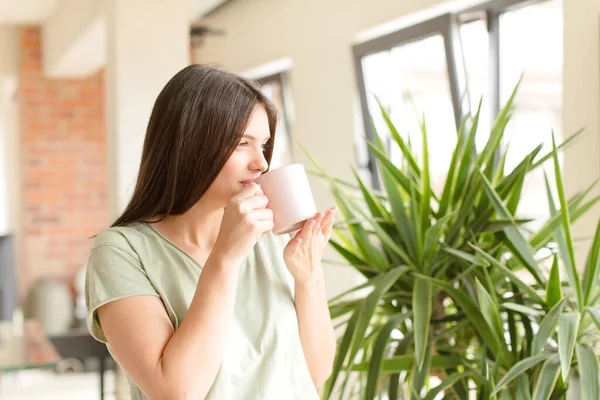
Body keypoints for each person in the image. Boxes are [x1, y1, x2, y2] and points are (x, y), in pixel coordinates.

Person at [85, 64, 337, 400]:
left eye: (263, 145)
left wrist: (309, 276)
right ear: (189, 146)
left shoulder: (269, 233)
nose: (261, 163)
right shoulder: (121, 252)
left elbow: (315, 373)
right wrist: (226, 257)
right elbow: (176, 391)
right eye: (241, 144)